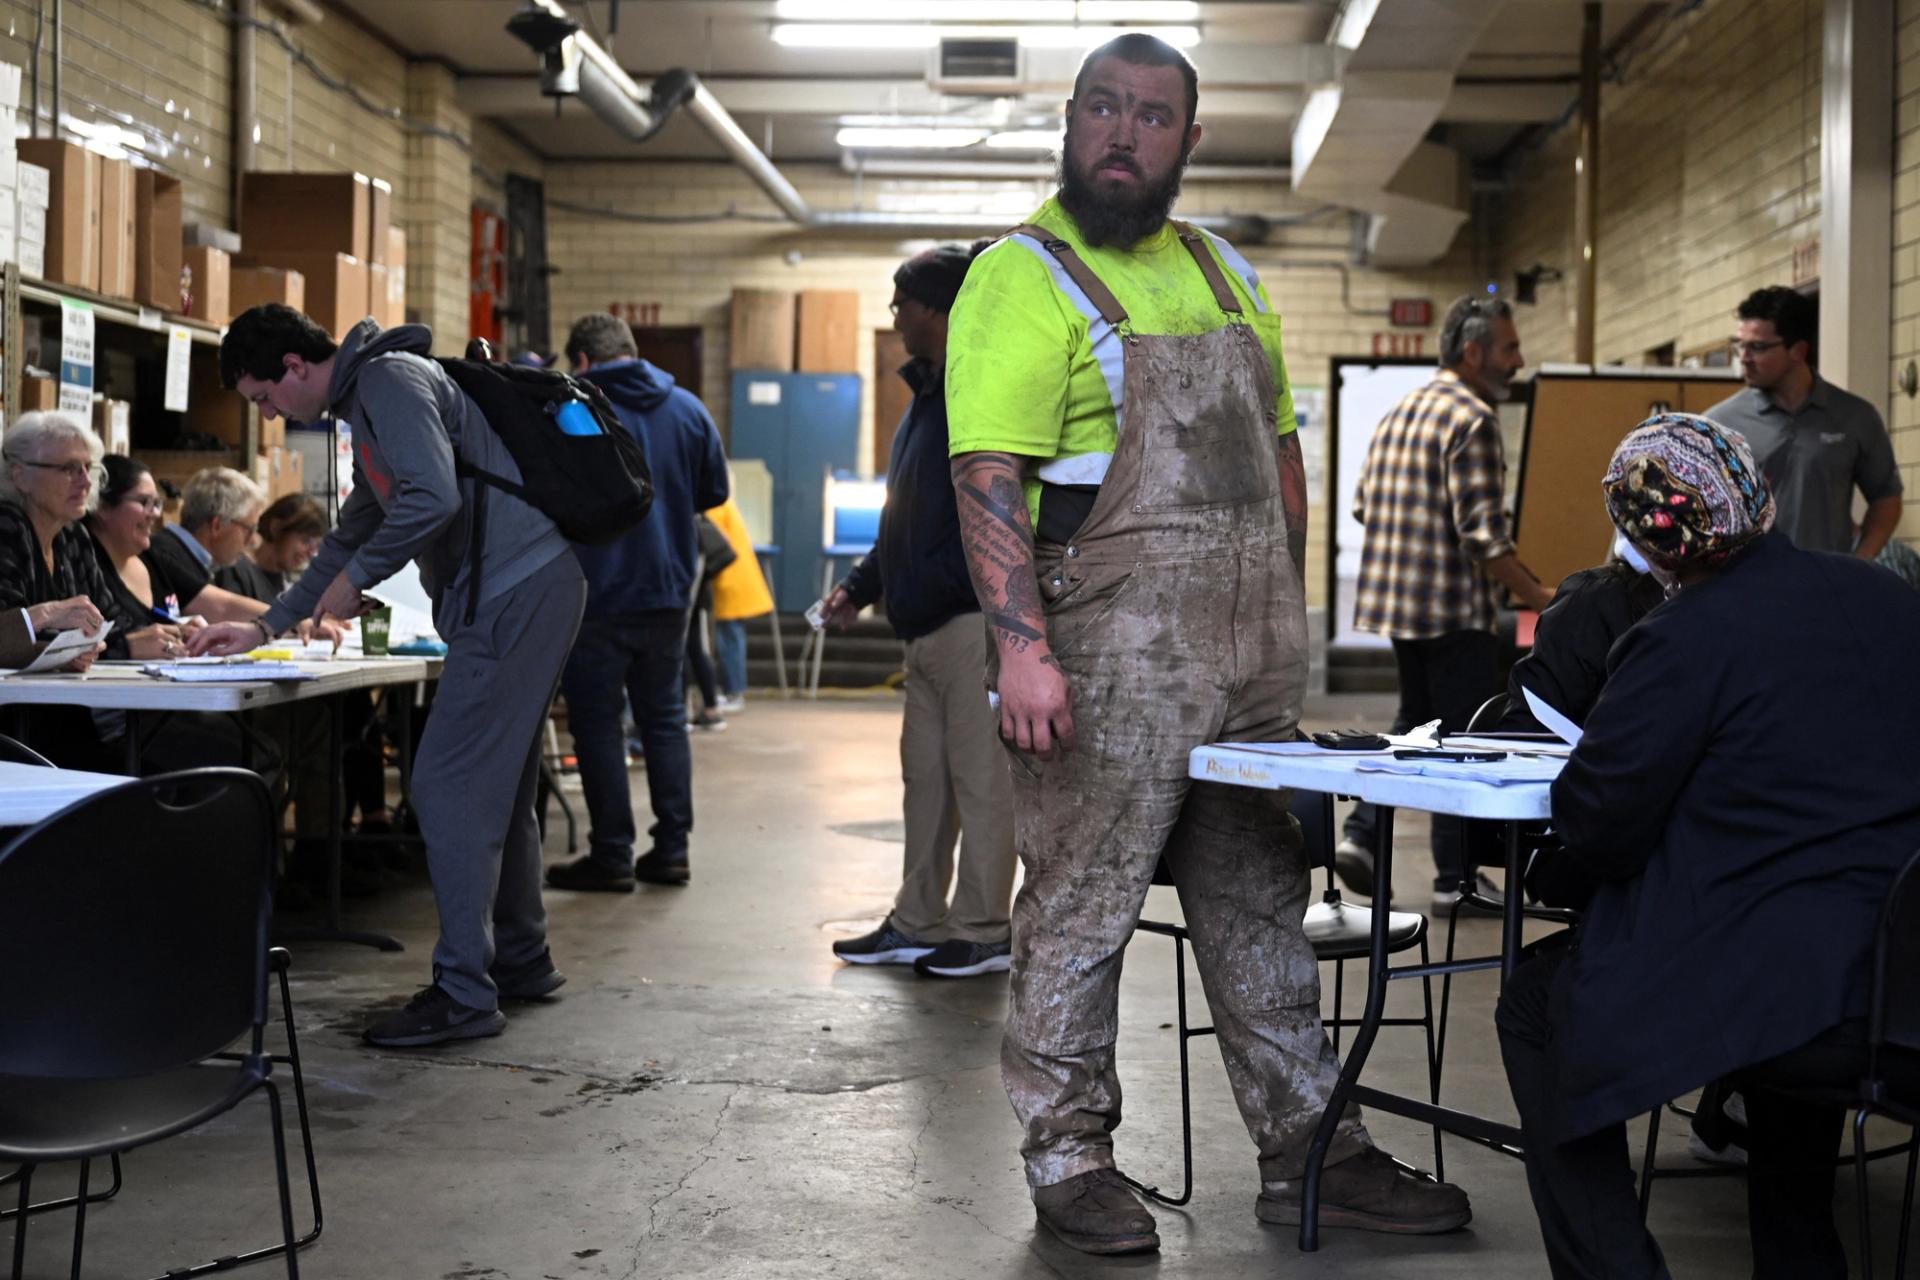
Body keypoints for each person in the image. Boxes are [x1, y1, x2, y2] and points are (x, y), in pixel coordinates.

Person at [945, 33, 1468, 1255]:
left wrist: (1276, 615)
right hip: (1106, 652)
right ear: (1071, 123)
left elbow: (1280, 451)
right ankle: (1070, 1156)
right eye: (1104, 109)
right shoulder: (1022, 278)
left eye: (1154, 115)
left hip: (1244, 661)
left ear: (1190, 139)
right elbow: (988, 476)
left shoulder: (1227, 271)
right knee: (1083, 906)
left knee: (1260, 902)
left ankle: (1313, 1154)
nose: (1124, 133)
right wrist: (1021, 649)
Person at [1498, 413, 1920, 1280]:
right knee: (1799, 979)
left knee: (1541, 1003)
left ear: (1650, 550)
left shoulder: (1676, 641)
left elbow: (1596, 825)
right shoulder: (1892, 602)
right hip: (1906, 980)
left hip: (1787, 987)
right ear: (1761, 502)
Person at [191, 305, 587, 1048]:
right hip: (519, 590)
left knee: (444, 783)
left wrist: (361, 579)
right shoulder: (367, 404)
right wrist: (264, 625)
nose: (270, 415)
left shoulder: (390, 384)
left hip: (515, 590)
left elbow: (431, 497)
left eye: (264, 397)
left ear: (297, 367)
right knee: (493, 784)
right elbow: (355, 530)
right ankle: (522, 959)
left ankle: (465, 992)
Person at [827, 243, 1017, 980]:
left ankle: (983, 927)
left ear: (935, 308)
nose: (894, 315)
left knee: (982, 783)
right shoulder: (926, 401)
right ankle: (918, 920)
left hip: (969, 624)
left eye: (901, 302)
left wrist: (938, 583)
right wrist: (862, 585)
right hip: (923, 626)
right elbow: (902, 517)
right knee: (927, 786)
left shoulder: (980, 390)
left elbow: (996, 515)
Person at [1338, 296, 1556, 909]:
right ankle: (1452, 880)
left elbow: (1363, 505)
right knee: (1461, 742)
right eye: (1510, 348)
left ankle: (1366, 835)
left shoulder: (1402, 409)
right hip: (1453, 607)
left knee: (1422, 725)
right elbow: (1484, 537)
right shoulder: (1474, 419)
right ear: (1474, 352)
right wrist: (1541, 596)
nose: (1519, 361)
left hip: (1396, 603)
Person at [543, 312, 726, 892]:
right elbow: (714, 493)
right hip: (669, 590)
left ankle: (612, 855)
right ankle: (672, 850)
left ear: (583, 362)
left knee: (598, 727)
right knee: (665, 720)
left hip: (596, 593)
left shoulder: (574, 409)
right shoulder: (689, 409)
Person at [1704, 285, 1902, 557]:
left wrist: (1860, 563)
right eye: (1739, 345)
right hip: (1749, 590)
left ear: (1798, 350)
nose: (1743, 358)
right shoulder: (1719, 424)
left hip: (1827, 586)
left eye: (1757, 347)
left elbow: (1886, 497)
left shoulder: (1855, 417)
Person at [142, 467, 282, 625]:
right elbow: (221, 608)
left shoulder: (194, 558)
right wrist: (289, 619)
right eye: (249, 529)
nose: (252, 540)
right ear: (217, 526)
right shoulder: (164, 555)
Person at [704, 491, 772, 712]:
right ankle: (732, 691)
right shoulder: (720, 502)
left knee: (729, 639)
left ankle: (734, 693)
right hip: (733, 576)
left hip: (729, 578)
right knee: (730, 636)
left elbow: (710, 541)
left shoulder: (712, 507)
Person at [217, 492, 328, 601]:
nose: (312, 553)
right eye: (306, 541)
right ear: (276, 528)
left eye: (316, 545)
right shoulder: (235, 570)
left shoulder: (281, 578)